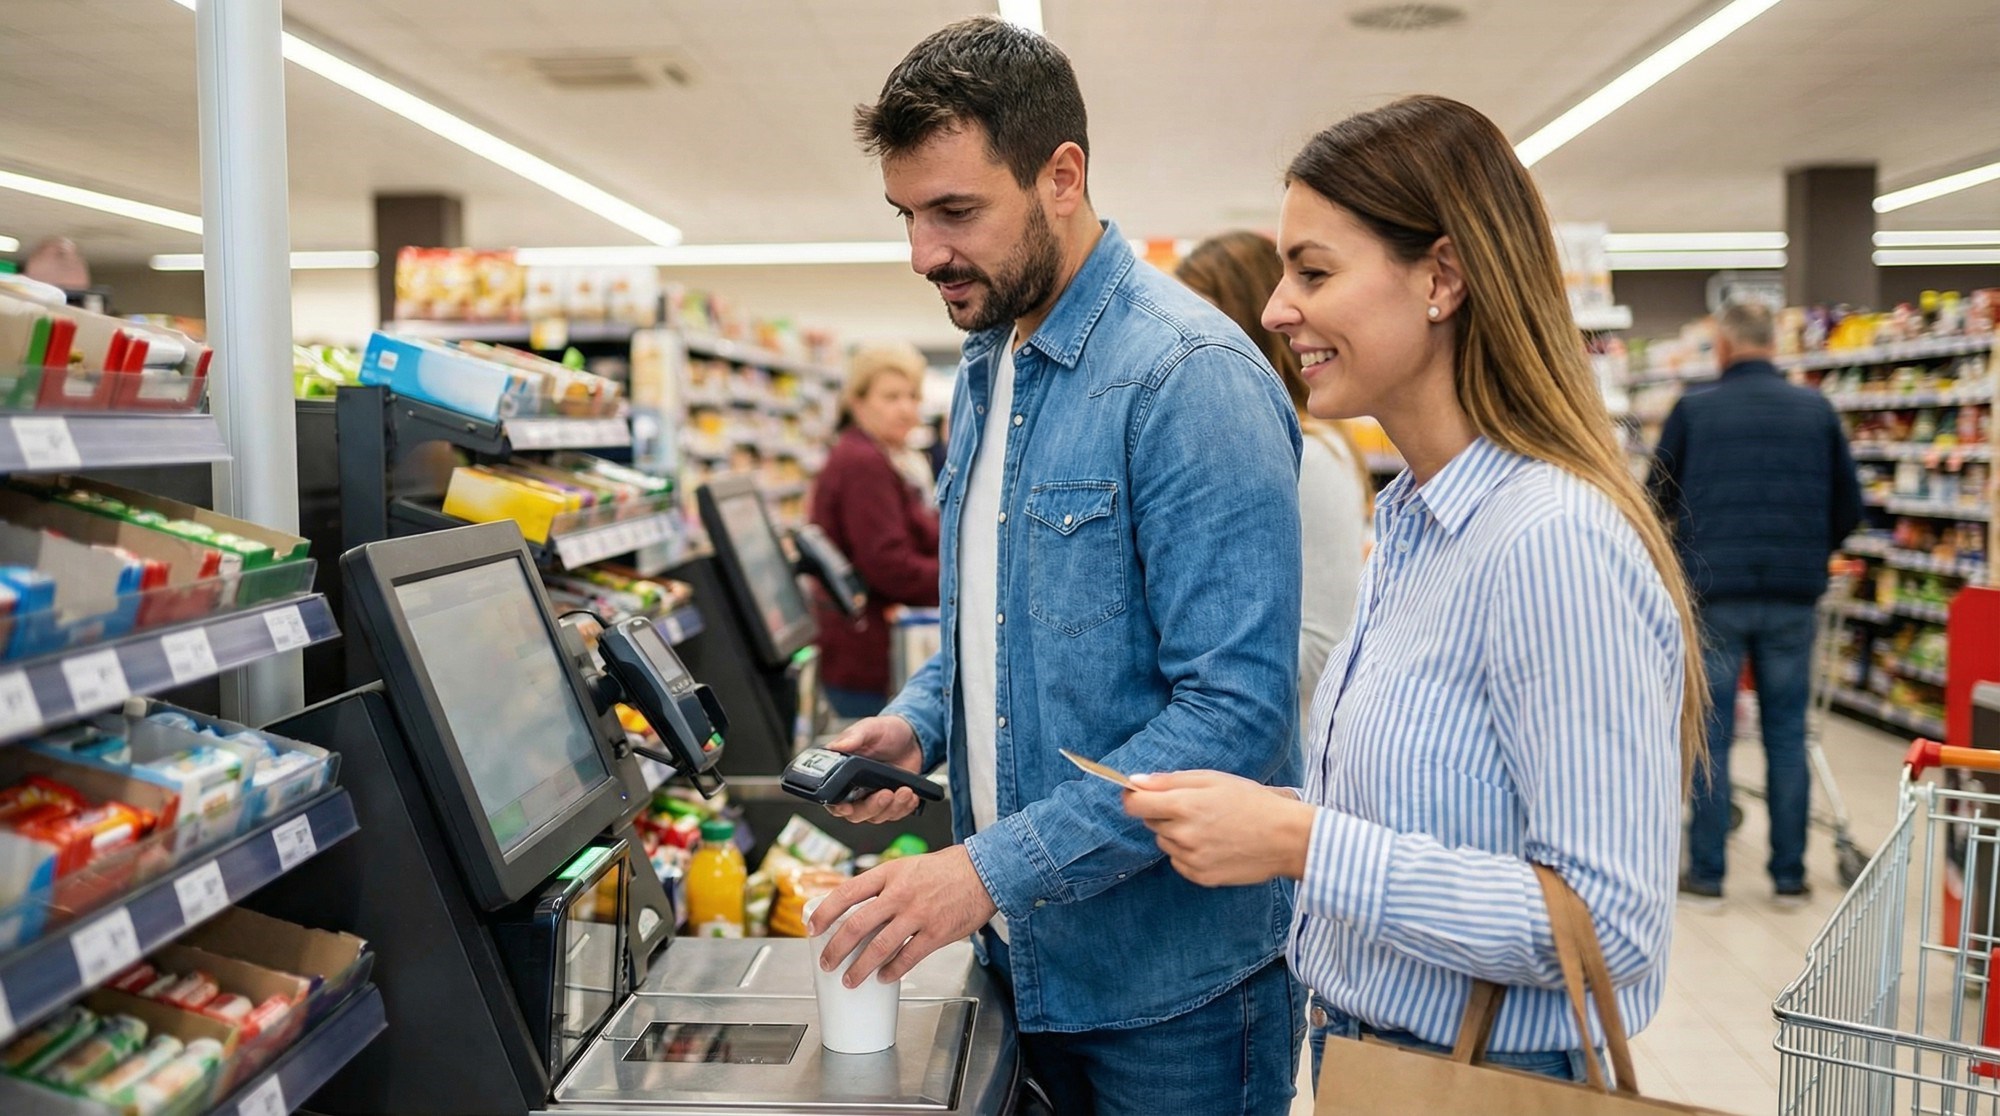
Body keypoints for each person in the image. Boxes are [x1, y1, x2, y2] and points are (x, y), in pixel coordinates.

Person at [1121, 95, 1708, 1087]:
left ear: (1440, 278)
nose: (1274, 309)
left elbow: (1606, 930)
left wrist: (1301, 842)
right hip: (1367, 1053)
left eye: (1313, 271)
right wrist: (1264, 815)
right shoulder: (1415, 527)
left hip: (1484, 1077)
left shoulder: (1549, 542)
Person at [806, 16, 1306, 1115]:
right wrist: (919, 722)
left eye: (954, 212)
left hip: (1171, 998)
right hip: (1020, 966)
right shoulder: (989, 368)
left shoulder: (1189, 377)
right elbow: (999, 619)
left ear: (1062, 178)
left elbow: (1234, 714)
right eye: (905, 216)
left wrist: (984, 871)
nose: (923, 255)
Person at [1648, 299, 1863, 907]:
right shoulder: (1816, 410)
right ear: (1774, 344)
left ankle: (1708, 874)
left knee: (1711, 733)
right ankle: (1789, 877)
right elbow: (1850, 506)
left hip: (1715, 594)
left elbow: (1655, 498)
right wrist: (1811, 550)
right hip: (1793, 598)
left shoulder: (1694, 410)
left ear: (1723, 346)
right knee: (1787, 734)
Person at [1176, 231, 1371, 724]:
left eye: (1202, 323)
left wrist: (1190, 648)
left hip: (1286, 739)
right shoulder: (1223, 445)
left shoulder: (1311, 457)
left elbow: (1325, 644)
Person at [809, 341, 943, 719]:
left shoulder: (892, 458)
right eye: (891, 397)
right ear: (858, 402)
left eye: (912, 396)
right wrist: (963, 582)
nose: (906, 408)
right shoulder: (863, 463)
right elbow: (889, 565)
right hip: (867, 657)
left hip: (871, 648)